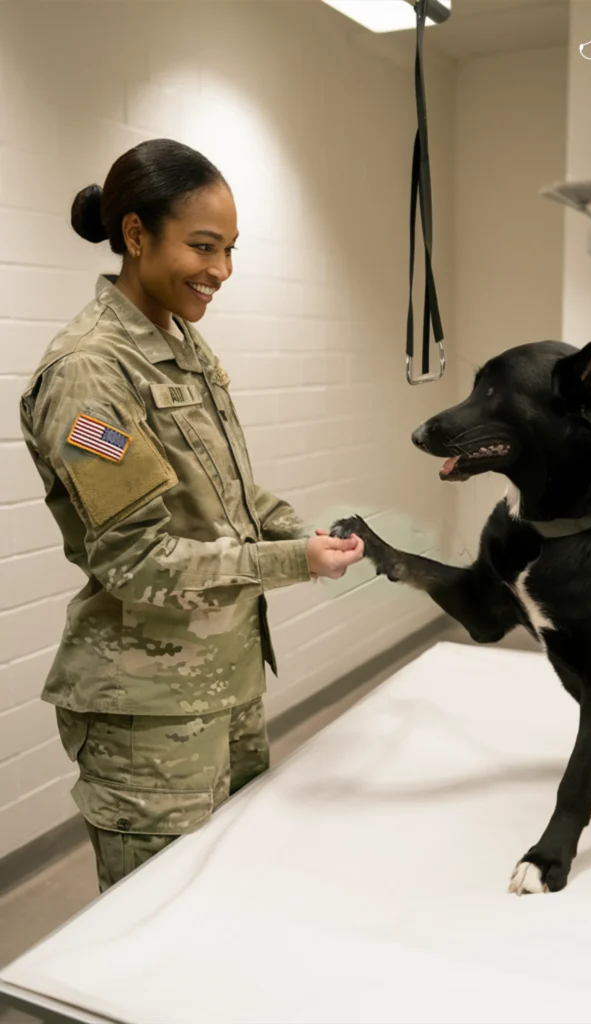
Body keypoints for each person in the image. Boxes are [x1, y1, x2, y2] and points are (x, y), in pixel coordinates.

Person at [19, 138, 364, 892]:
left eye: (230, 250)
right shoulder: (90, 377)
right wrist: (291, 562)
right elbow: (136, 560)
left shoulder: (181, 344)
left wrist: (301, 532)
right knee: (157, 923)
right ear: (136, 236)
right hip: (149, 717)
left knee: (228, 896)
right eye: (203, 247)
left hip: (223, 683)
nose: (222, 272)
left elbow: (230, 497)